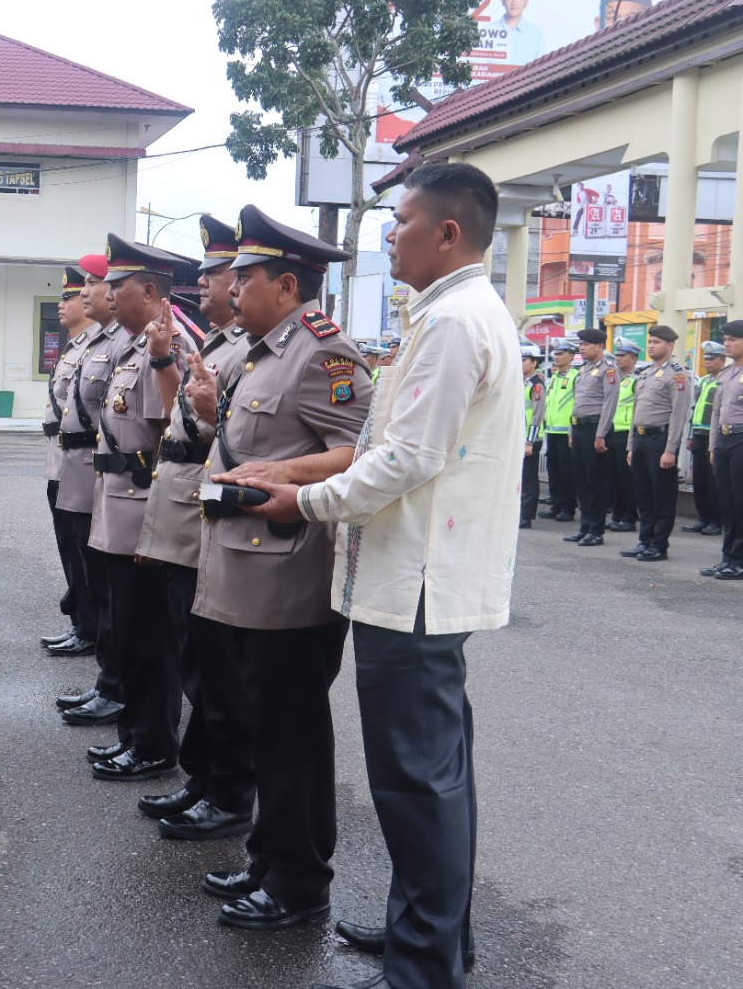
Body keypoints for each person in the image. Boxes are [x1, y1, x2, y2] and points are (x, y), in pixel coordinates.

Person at [234, 162, 519, 989]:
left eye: (400, 222)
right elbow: (394, 445)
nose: (389, 236)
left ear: (447, 233)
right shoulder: (449, 315)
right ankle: (429, 934)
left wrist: (307, 501)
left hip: (417, 587)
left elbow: (407, 458)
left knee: (416, 783)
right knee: (436, 776)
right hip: (419, 578)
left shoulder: (454, 322)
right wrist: (297, 479)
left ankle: (425, 964)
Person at [190, 205, 370, 933]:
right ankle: (269, 859)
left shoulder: (325, 355)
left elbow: (360, 452)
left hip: (288, 580)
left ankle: (300, 884)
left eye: (248, 277)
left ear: (287, 286)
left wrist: (284, 467)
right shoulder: (266, 351)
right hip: (243, 573)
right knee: (263, 729)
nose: (233, 289)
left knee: (292, 736)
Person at [135, 214, 254, 840]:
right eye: (206, 278)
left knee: (213, 665)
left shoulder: (245, 350)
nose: (203, 288)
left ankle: (224, 788)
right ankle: (204, 778)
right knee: (195, 655)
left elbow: (228, 438)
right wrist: (163, 365)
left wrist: (214, 412)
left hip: (218, 513)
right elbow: (173, 421)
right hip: (189, 503)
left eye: (215, 277)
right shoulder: (213, 345)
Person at [85, 233, 196, 781]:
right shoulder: (134, 348)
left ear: (149, 291)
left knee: (149, 640)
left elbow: (170, 438)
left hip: (144, 517)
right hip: (119, 513)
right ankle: (135, 735)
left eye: (117, 285)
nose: (107, 295)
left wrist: (161, 528)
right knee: (129, 634)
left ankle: (153, 744)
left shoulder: (162, 352)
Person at [52, 254, 128, 721]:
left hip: (116, 478)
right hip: (86, 467)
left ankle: (118, 687)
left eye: (90, 287)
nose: (80, 295)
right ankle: (110, 681)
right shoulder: (100, 343)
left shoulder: (122, 344)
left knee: (111, 593)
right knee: (91, 575)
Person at [43, 268, 97, 653]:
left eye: (70, 297)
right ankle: (81, 621)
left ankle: (90, 628)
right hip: (59, 459)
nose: (62, 304)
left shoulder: (96, 347)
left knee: (84, 553)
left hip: (81, 462)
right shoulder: (75, 345)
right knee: (68, 547)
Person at [620, 325, 691, 561]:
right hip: (640, 439)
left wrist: (670, 450)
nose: (651, 346)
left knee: (661, 496)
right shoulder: (645, 373)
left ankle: (659, 545)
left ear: (670, 346)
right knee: (643, 494)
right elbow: (636, 412)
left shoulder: (678, 375)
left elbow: (678, 415)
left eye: (657, 342)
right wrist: (631, 445)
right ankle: (645, 540)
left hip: (660, 440)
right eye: (650, 341)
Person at [567, 327, 618, 546]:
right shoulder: (583, 370)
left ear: (599, 346)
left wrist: (601, 435)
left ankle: (596, 530)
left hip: (596, 428)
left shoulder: (609, 370)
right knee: (580, 480)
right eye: (581, 344)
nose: (582, 348)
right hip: (579, 429)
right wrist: (571, 431)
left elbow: (609, 404)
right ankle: (585, 526)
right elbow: (576, 404)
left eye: (586, 344)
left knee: (595, 481)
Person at [703, 320, 743, 579]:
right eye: (726, 339)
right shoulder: (726, 373)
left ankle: (739, 561)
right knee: (727, 503)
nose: (726, 344)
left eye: (733, 339)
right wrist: (713, 445)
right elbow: (717, 413)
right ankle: (728, 556)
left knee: (740, 503)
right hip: (725, 442)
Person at [682, 341, 727, 535]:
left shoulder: (725, 380)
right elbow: (695, 409)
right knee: (699, 479)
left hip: (714, 434)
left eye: (712, 359)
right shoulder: (704, 381)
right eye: (706, 359)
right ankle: (703, 517)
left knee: (713, 480)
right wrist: (691, 435)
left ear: (722, 360)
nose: (707, 362)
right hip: (699, 434)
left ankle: (716, 521)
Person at [602, 340, 639, 532]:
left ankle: (629, 517)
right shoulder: (613, 378)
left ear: (633, 358)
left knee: (627, 479)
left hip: (626, 434)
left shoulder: (637, 380)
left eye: (622, 355)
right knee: (613, 477)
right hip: (611, 432)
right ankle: (617, 513)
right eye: (616, 355)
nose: (617, 359)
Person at [542, 340, 578, 521]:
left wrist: (573, 430)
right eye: (555, 353)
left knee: (567, 472)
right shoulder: (554, 378)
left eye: (561, 353)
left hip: (566, 433)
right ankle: (556, 504)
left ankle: (567, 507)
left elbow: (577, 405)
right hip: (552, 431)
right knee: (553, 471)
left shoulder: (575, 376)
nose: (556, 356)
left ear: (571, 357)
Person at [520, 343, 546, 528]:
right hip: (519, 436)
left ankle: (526, 516)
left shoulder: (536, 385)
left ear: (534, 363)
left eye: (523, 360)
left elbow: (537, 415)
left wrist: (530, 441)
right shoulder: (522, 382)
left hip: (531, 438)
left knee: (529, 478)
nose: (520, 363)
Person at [498, 0, 546, 64]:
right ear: (503, 0)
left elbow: (541, 68)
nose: (514, 2)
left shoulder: (535, 35)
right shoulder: (487, 30)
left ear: (526, 2)